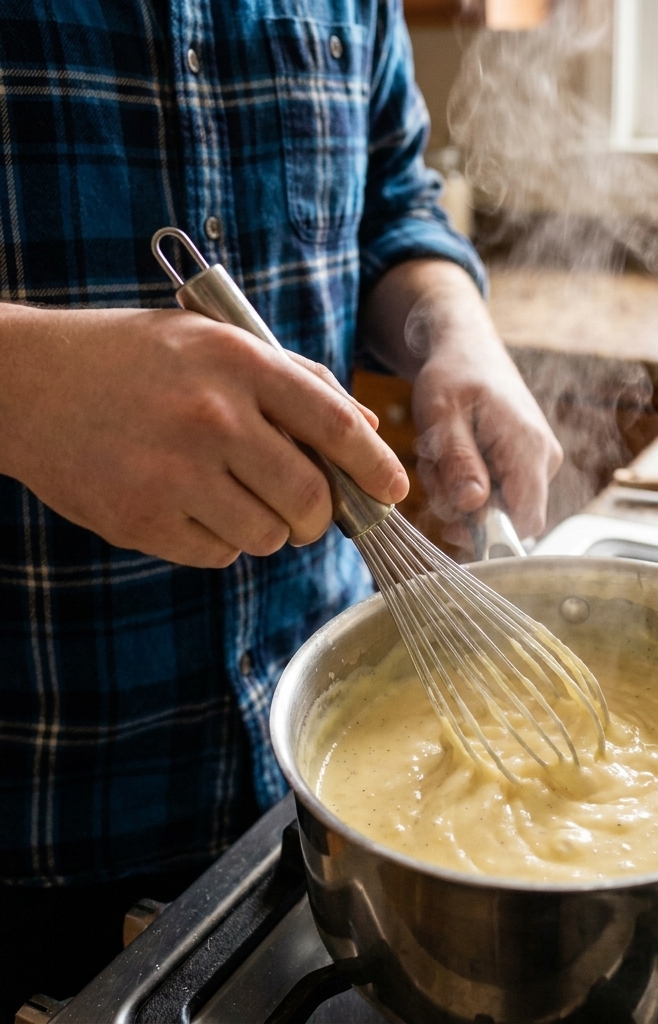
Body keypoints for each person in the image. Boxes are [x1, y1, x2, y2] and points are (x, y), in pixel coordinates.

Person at [0, 1, 562, 1016]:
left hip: (321, 812)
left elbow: (392, 200)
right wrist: (24, 387)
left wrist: (452, 325)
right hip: (33, 849)